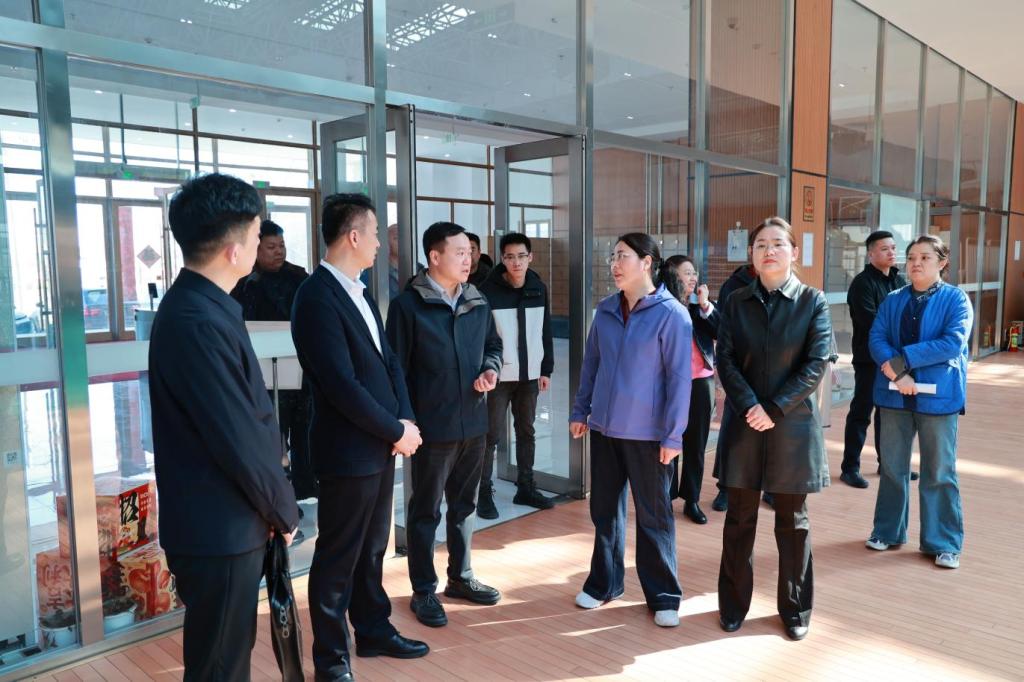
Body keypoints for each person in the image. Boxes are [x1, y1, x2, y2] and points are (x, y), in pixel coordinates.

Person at [149, 173, 298, 681]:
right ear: (235, 250)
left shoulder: (203, 305)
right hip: (219, 528)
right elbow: (238, 436)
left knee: (226, 656)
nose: (260, 244)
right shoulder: (198, 319)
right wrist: (283, 509)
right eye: (257, 235)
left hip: (225, 520)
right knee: (219, 666)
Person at [292, 194, 429, 680]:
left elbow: (389, 362)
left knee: (372, 549)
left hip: (381, 445)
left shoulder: (360, 291)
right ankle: (331, 660)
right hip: (348, 451)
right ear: (353, 236)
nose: (378, 244)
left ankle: (372, 629)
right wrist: (395, 429)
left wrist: (405, 422)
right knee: (338, 558)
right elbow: (341, 385)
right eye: (373, 234)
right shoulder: (315, 297)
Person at [716, 217, 832, 642]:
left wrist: (774, 408)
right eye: (761, 244)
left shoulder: (812, 301)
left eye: (778, 243)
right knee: (739, 520)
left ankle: (796, 609)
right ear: (751, 253)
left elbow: (816, 363)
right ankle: (732, 605)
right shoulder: (735, 301)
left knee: (793, 524)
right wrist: (751, 406)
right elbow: (725, 359)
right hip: (745, 423)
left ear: (794, 252)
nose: (769, 250)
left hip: (792, 427)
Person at [569, 233, 693, 628]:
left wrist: (673, 435)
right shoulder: (605, 310)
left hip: (649, 435)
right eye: (613, 256)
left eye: (622, 256)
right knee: (604, 512)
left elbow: (679, 381)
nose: (614, 264)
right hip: (605, 429)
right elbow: (591, 364)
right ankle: (604, 584)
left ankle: (664, 595)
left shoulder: (672, 315)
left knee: (654, 517)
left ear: (647, 262)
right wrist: (581, 410)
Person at [386, 221, 504, 628]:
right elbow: (395, 369)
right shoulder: (407, 306)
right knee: (425, 511)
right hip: (431, 428)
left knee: (464, 505)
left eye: (469, 252)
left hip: (474, 421)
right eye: (459, 252)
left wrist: (490, 369)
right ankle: (423, 589)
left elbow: (492, 346)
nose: (468, 259)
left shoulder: (477, 299)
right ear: (434, 257)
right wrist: (405, 421)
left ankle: (461, 577)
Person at [865, 235, 972, 570]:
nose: (916, 263)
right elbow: (876, 337)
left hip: (938, 396)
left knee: (939, 470)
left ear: (942, 262)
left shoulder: (956, 299)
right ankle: (887, 531)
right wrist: (898, 375)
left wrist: (902, 361)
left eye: (925, 257)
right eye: (911, 257)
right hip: (893, 394)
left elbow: (952, 343)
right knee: (892, 468)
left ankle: (944, 543)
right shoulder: (893, 299)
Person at [230, 219, 317, 502]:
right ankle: (278, 493)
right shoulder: (244, 282)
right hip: (263, 373)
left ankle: (305, 485)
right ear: (256, 250)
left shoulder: (299, 277)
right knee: (272, 434)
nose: (279, 251)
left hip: (299, 368)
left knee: (304, 429)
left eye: (281, 245)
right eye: (271, 247)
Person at [477, 232, 555, 519]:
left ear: (530, 257)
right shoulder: (488, 290)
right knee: (491, 435)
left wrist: (545, 369)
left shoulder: (538, 287)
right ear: (502, 259)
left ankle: (526, 487)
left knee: (527, 431)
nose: (516, 262)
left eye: (522, 256)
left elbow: (544, 329)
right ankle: (483, 492)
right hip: (499, 375)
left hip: (529, 375)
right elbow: (482, 335)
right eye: (510, 257)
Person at [842, 230, 908, 489]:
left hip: (895, 357)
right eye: (884, 249)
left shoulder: (899, 280)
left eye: (893, 248)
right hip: (869, 359)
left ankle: (887, 463)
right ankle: (850, 468)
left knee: (888, 413)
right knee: (862, 412)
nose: (891, 252)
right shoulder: (862, 284)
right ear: (870, 254)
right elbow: (871, 324)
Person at [657, 255, 720, 525]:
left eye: (694, 273)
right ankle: (666, 497)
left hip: (700, 382)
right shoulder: (661, 307)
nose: (693, 278)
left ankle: (691, 499)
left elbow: (721, 331)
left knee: (696, 444)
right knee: (669, 440)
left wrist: (705, 304)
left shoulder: (699, 309)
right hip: (670, 383)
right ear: (672, 274)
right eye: (687, 273)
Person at [710, 262, 756, 513]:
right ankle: (725, 487)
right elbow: (723, 329)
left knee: (772, 434)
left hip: (774, 374)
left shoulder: (789, 288)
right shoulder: (733, 286)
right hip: (739, 370)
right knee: (732, 433)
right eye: (761, 246)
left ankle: (771, 489)